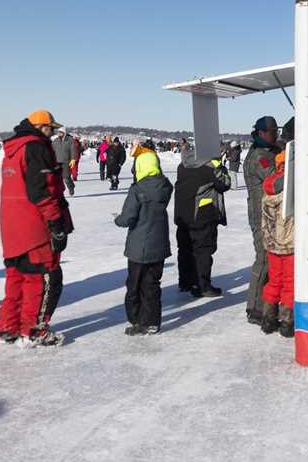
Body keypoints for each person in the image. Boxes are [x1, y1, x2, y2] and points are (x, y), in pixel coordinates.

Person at [0, 110, 73, 347]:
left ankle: (8, 326)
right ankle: (33, 329)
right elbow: (43, 190)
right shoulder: (36, 147)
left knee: (17, 275)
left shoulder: (13, 149)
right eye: (50, 129)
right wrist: (55, 223)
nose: (52, 134)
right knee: (41, 277)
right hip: (35, 225)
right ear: (42, 128)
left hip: (11, 224)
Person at [115, 150, 173, 335]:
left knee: (134, 286)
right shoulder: (165, 187)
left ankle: (137, 320)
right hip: (159, 245)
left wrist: (118, 219)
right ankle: (152, 321)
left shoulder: (137, 189)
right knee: (152, 284)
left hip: (139, 247)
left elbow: (127, 218)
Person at [173, 153, 230, 298]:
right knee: (203, 250)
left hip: (183, 214)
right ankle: (202, 285)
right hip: (201, 215)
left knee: (185, 249)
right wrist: (218, 166)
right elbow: (224, 184)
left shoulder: (183, 165)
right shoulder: (209, 168)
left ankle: (185, 281)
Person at [260, 118, 296, 338]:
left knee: (274, 280)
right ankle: (286, 321)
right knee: (290, 282)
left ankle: (268, 318)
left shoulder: (270, 182)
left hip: (272, 243)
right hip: (289, 243)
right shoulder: (291, 184)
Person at [243, 116, 281, 326]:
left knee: (273, 261)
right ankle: (254, 307)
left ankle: (267, 304)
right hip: (261, 216)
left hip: (272, 215)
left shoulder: (270, 151)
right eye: (272, 131)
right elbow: (275, 181)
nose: (275, 134)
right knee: (264, 259)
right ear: (261, 133)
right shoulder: (259, 157)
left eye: (276, 131)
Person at [53, 128, 78, 197]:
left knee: (66, 178)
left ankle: (71, 187)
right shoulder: (55, 140)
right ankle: (58, 192)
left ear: (64, 132)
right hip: (57, 162)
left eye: (60, 132)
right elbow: (52, 150)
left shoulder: (70, 140)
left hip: (67, 161)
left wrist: (73, 159)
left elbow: (73, 150)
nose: (59, 133)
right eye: (58, 132)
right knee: (57, 179)